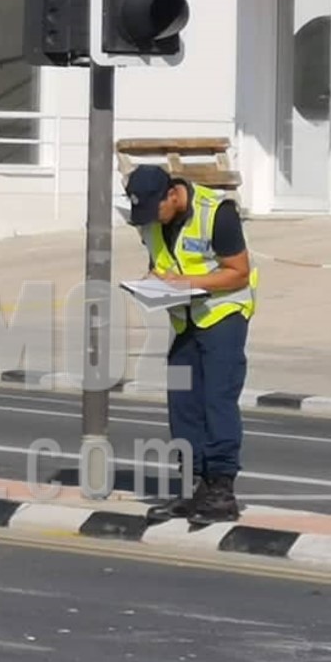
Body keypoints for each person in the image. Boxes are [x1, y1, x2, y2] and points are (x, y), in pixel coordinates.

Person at [125, 165, 258, 524]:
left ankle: (221, 490)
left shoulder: (218, 213)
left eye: (155, 211)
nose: (150, 220)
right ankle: (192, 483)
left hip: (222, 312)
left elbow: (239, 271)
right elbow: (160, 263)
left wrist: (185, 282)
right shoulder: (150, 219)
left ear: (172, 194)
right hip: (183, 316)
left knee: (217, 399)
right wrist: (152, 283)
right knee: (182, 402)